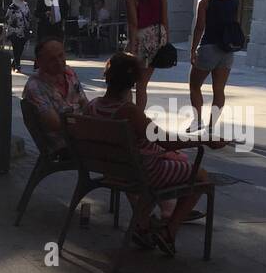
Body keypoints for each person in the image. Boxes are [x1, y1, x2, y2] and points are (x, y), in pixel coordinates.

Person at [86, 52, 219, 255]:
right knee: (200, 176)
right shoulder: (129, 111)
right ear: (134, 81)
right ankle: (169, 232)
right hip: (139, 173)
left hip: (112, 168)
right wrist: (206, 139)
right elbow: (166, 141)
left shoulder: (93, 105)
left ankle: (142, 224)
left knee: (165, 163)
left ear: (107, 78)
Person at [187, 0, 240, 134]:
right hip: (227, 50)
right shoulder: (234, 2)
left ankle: (197, 121)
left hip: (208, 47)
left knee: (195, 85)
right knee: (219, 89)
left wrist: (193, 48)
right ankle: (211, 126)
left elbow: (199, 27)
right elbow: (234, 24)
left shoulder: (205, 2)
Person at [123, 0, 170, 112]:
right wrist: (166, 40)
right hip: (158, 36)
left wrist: (131, 46)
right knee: (142, 84)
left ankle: (129, 113)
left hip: (141, 36)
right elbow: (164, 18)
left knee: (127, 81)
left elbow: (133, 23)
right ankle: (139, 115)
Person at [23, 37, 89, 134]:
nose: (59, 62)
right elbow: (55, 124)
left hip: (83, 131)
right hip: (64, 142)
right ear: (39, 62)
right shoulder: (35, 86)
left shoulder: (68, 72)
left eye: (61, 56)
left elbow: (84, 102)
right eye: (52, 59)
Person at [4, 0, 31, 73]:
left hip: (24, 31)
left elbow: (29, 16)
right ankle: (18, 66)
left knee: (21, 48)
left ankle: (14, 63)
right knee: (16, 48)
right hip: (14, 31)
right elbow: (7, 19)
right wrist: (5, 31)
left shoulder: (25, 5)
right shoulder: (12, 7)